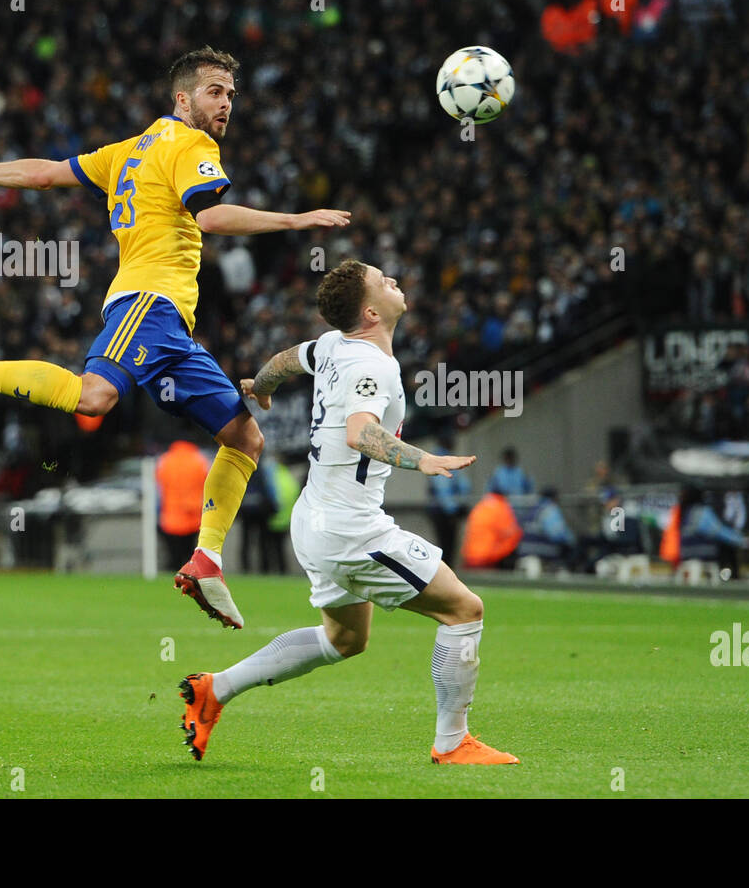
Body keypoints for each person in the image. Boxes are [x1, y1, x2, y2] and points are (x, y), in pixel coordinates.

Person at [0, 46, 352, 630]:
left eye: (232, 94)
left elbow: (46, 174)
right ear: (182, 99)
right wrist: (296, 219)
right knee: (94, 397)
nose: (226, 104)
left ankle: (206, 561)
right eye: (215, 91)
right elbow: (209, 218)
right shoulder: (191, 145)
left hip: (172, 325)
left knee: (245, 436)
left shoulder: (127, 151)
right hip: (148, 302)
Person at [178, 260, 518, 765]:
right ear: (370, 311)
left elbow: (287, 359)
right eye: (384, 281)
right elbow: (359, 432)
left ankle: (214, 689)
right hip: (351, 529)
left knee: (344, 638)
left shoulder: (334, 345)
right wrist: (423, 459)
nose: (396, 281)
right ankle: (452, 742)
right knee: (465, 610)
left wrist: (263, 388)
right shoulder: (372, 366)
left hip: (314, 518)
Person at [660, 485, 749, 579]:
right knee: (726, 545)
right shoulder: (702, 511)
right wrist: (743, 541)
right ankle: (731, 577)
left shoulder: (682, 510)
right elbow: (718, 531)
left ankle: (723, 576)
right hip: (700, 551)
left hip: (684, 551)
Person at [156, 440, 210, 572]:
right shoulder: (199, 460)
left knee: (174, 556)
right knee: (191, 556)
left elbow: (160, 484)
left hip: (171, 515)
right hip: (194, 516)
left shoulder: (165, 460)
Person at [426, 434, 472, 565]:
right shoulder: (441, 459)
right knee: (446, 546)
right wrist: (452, 510)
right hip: (443, 511)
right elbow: (443, 488)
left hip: (445, 509)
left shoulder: (443, 457)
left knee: (447, 546)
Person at [461, 491, 525, 569]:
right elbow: (512, 534)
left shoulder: (481, 505)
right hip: (487, 558)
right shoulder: (501, 507)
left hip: (469, 556)